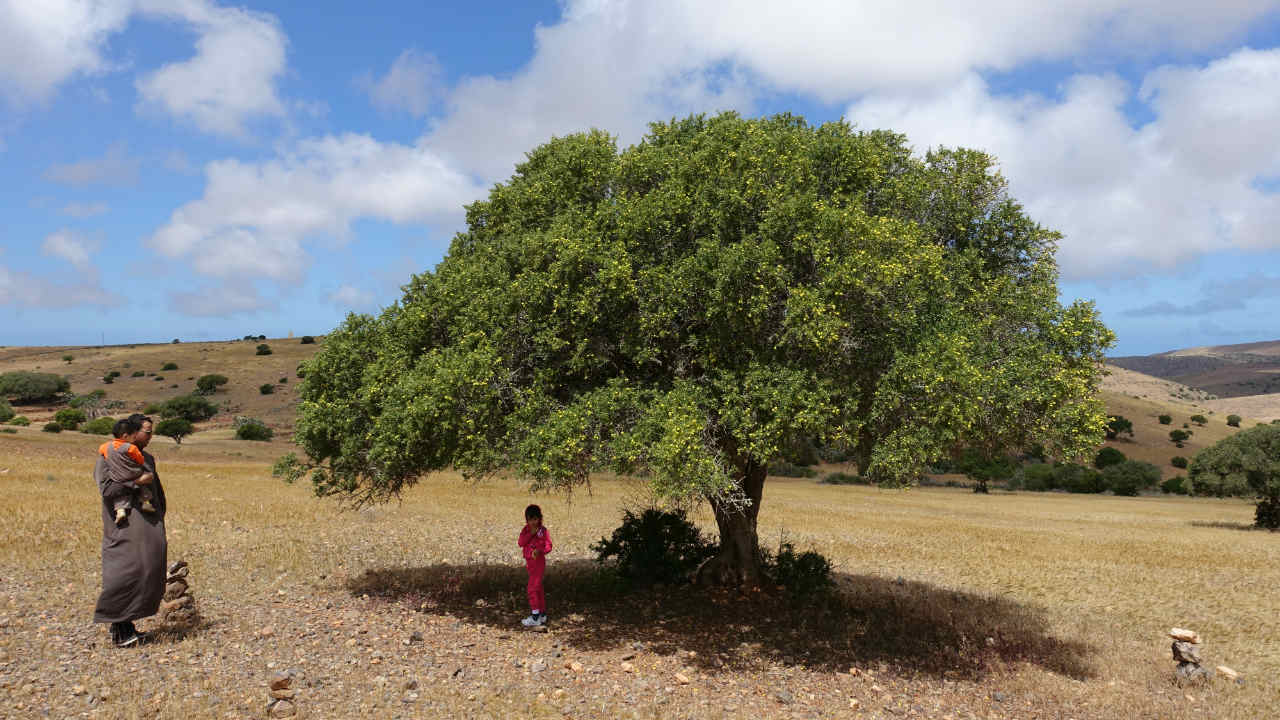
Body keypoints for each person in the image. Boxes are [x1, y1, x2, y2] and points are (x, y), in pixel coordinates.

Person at [93, 414, 168, 647]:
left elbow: (156, 488)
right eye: (147, 432)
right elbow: (107, 489)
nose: (150, 436)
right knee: (124, 572)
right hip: (124, 524)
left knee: (148, 570)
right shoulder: (109, 455)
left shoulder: (147, 457)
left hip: (149, 523)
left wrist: (159, 513)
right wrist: (137, 482)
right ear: (132, 433)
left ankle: (128, 626)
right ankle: (119, 628)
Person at [99, 421, 156, 526]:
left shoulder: (106, 446)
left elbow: (101, 451)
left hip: (117, 477)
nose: (134, 439)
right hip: (133, 474)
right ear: (125, 436)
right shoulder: (130, 448)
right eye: (134, 437)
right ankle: (146, 502)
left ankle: (120, 510)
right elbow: (140, 460)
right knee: (143, 487)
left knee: (121, 496)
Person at [518, 504, 552, 627]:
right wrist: (530, 534)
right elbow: (520, 543)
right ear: (527, 520)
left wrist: (540, 550)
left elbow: (548, 546)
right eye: (530, 520)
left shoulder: (543, 531)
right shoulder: (526, 530)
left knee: (532, 589)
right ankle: (542, 614)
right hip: (530, 564)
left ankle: (535, 616)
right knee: (538, 589)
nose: (533, 522)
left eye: (535, 519)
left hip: (538, 564)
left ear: (540, 519)